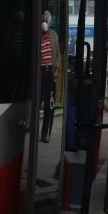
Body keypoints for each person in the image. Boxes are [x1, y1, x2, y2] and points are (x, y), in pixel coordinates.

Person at [39, 11, 61, 143]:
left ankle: (45, 134)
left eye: (47, 20)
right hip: (40, 72)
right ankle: (33, 131)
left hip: (49, 73)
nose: (45, 21)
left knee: (49, 105)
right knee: (37, 103)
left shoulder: (53, 35)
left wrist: (56, 70)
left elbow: (58, 55)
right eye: (44, 19)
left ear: (50, 22)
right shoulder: (38, 34)